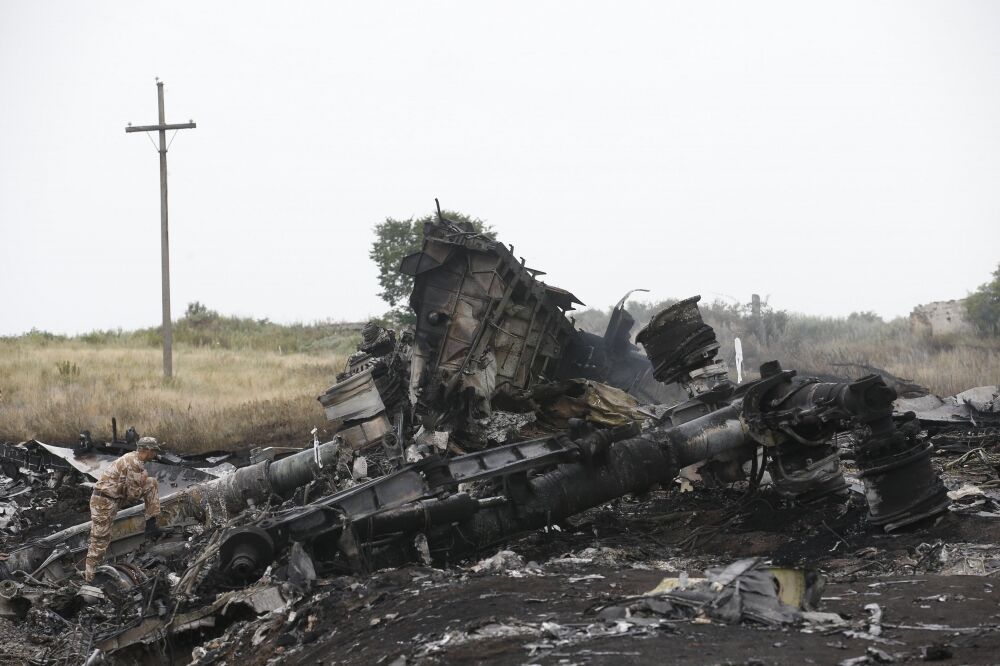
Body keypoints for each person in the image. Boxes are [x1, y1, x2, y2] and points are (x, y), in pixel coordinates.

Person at [84, 436, 164, 581]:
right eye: (154, 451)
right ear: (147, 451)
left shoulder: (134, 459)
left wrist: (144, 480)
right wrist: (142, 478)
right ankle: (90, 577)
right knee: (100, 539)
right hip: (103, 501)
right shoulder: (134, 463)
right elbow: (133, 496)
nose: (155, 455)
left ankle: (151, 525)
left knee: (151, 483)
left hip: (114, 498)